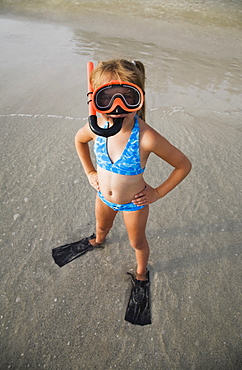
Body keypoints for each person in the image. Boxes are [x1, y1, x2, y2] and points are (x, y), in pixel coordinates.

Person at [53, 59, 191, 325]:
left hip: (134, 204)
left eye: (128, 97)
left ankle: (141, 274)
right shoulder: (96, 130)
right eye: (107, 98)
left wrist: (158, 192)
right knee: (100, 228)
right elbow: (79, 140)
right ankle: (97, 241)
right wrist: (90, 173)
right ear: (94, 101)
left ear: (139, 100)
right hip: (103, 198)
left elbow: (183, 165)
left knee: (137, 243)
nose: (117, 107)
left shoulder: (146, 137)